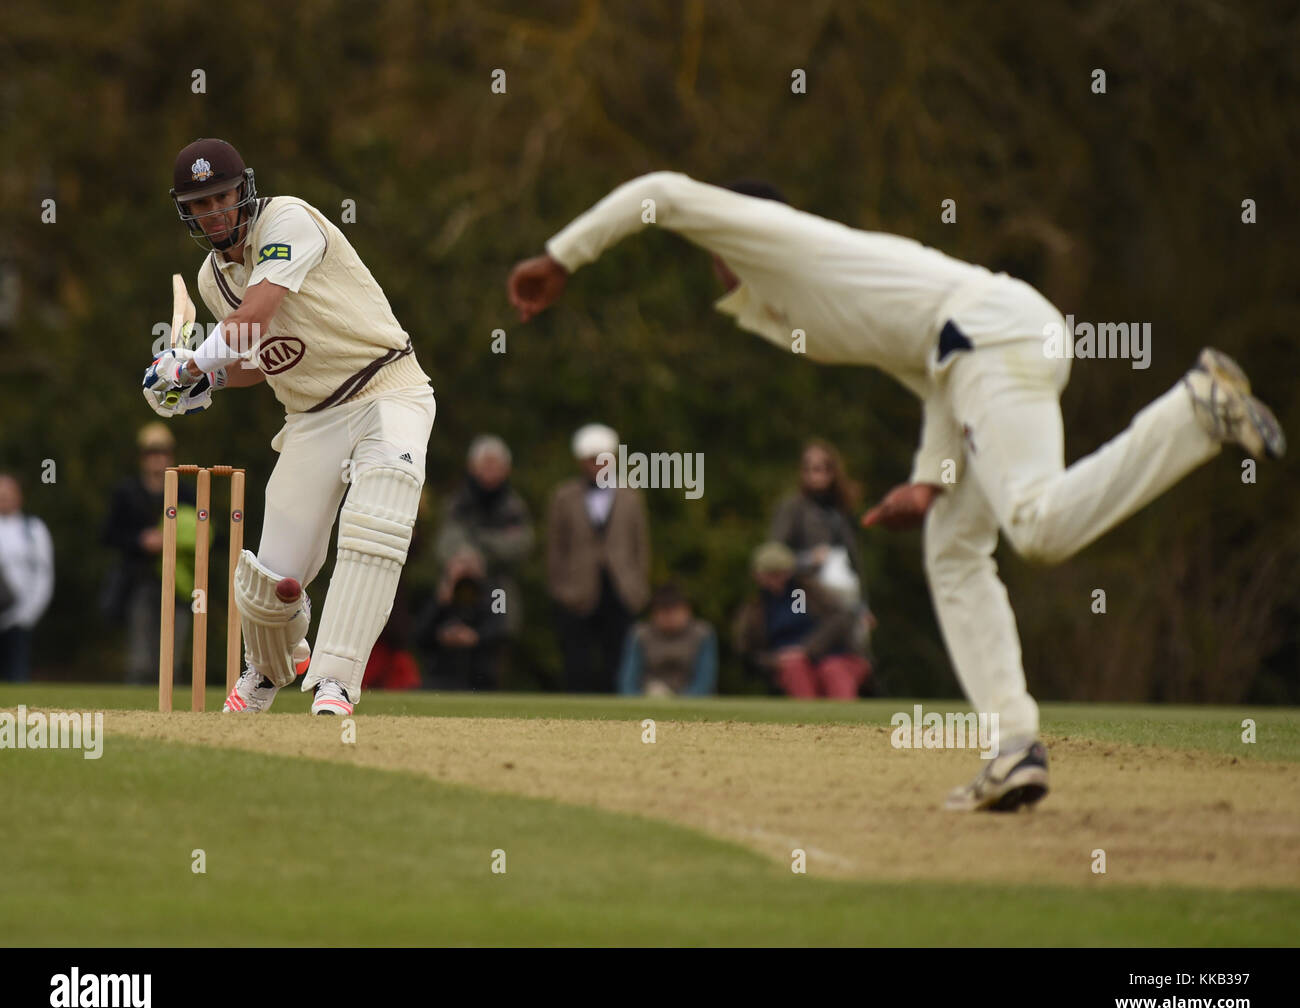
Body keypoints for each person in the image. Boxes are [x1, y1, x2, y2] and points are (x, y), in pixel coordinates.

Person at [506, 172, 1285, 810]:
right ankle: (1014, 746)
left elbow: (665, 191)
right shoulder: (799, 294)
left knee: (1037, 527)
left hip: (998, 339)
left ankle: (1192, 411)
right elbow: (931, 367)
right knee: (953, 551)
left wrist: (563, 257)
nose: (715, 265)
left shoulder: (773, 237)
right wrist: (928, 478)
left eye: (721, 246)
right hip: (986, 343)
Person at [146, 137, 436, 716]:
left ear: (243, 191)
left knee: (375, 523)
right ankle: (270, 669)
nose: (213, 213)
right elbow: (259, 355)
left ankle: (337, 680)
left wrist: (185, 364)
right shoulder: (211, 279)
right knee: (268, 582)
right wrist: (209, 383)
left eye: (221, 198)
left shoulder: (289, 220)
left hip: (387, 388)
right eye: (199, 204)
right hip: (310, 417)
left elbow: (255, 316)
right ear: (187, 210)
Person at [547, 424, 650, 692]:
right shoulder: (563, 497)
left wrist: (638, 586)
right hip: (577, 590)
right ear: (581, 462)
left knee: (618, 657)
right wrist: (560, 589)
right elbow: (555, 548)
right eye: (591, 459)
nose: (597, 465)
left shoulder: (631, 497)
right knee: (576, 660)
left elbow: (641, 546)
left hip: (621, 589)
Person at [102, 422, 197, 684]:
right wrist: (140, 540)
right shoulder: (126, 492)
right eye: (151, 454)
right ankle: (137, 698)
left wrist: (173, 539)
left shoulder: (186, 492)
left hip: (177, 581)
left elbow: (207, 533)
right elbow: (109, 534)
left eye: (162, 453)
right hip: (139, 578)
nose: (157, 459)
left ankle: (168, 697)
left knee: (173, 648)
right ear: (142, 457)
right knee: (140, 651)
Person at [770, 439, 875, 651]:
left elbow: (855, 565)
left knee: (853, 654)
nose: (812, 475)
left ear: (832, 472)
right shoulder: (793, 508)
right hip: (802, 594)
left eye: (819, 469)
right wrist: (808, 558)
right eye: (807, 468)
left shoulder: (840, 511)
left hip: (843, 595)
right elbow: (773, 557)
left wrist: (863, 607)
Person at [732, 542, 870, 700]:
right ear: (758, 576)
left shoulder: (811, 592)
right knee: (795, 669)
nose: (775, 580)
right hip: (788, 664)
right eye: (770, 574)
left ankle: (849, 722)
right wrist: (775, 660)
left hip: (832, 655)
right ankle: (810, 720)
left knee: (833, 670)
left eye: (779, 573)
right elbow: (748, 652)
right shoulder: (755, 609)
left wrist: (806, 650)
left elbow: (842, 618)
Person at [435, 435, 534, 638]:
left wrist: (480, 549)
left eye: (495, 466)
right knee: (456, 641)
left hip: (499, 590)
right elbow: (445, 541)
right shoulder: (458, 503)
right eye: (485, 465)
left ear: (506, 470)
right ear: (472, 467)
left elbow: (521, 544)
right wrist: (466, 558)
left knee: (496, 638)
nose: (490, 472)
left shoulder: (513, 507)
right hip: (461, 588)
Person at [414, 547, 509, 690]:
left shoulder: (496, 592)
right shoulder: (442, 595)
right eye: (460, 564)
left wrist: (475, 637)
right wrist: (440, 604)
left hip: (481, 677)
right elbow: (419, 634)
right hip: (440, 677)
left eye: (470, 565)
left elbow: (500, 628)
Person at [617, 583, 717, 697]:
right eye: (664, 612)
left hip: (687, 695)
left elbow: (705, 679)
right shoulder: (640, 634)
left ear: (687, 610)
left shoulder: (703, 634)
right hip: (649, 693)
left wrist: (682, 700)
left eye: (674, 611)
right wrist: (639, 699)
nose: (669, 618)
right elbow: (628, 679)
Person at [0, 473, 54, 681]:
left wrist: (28, 614)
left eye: (8, 492)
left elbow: (44, 575)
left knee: (16, 676)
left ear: (19, 496)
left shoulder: (33, 529)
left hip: (19, 617)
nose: (3, 497)